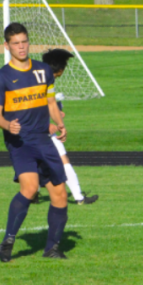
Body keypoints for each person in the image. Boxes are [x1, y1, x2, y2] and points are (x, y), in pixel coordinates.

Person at [0, 22, 69, 261]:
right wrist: (7, 125)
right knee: (30, 188)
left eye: (24, 42)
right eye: (15, 43)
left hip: (44, 140)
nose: (21, 47)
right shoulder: (2, 76)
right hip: (20, 141)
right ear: (7, 46)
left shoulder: (44, 70)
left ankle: (52, 249)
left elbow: (51, 103)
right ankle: (9, 240)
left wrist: (61, 125)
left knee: (60, 194)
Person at [41, 48, 98, 206]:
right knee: (62, 160)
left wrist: (58, 117)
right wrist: (50, 124)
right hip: (39, 129)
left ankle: (33, 193)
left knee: (38, 162)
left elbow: (48, 104)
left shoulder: (41, 78)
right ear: (60, 69)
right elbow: (35, 106)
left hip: (35, 128)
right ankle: (79, 197)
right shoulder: (44, 81)